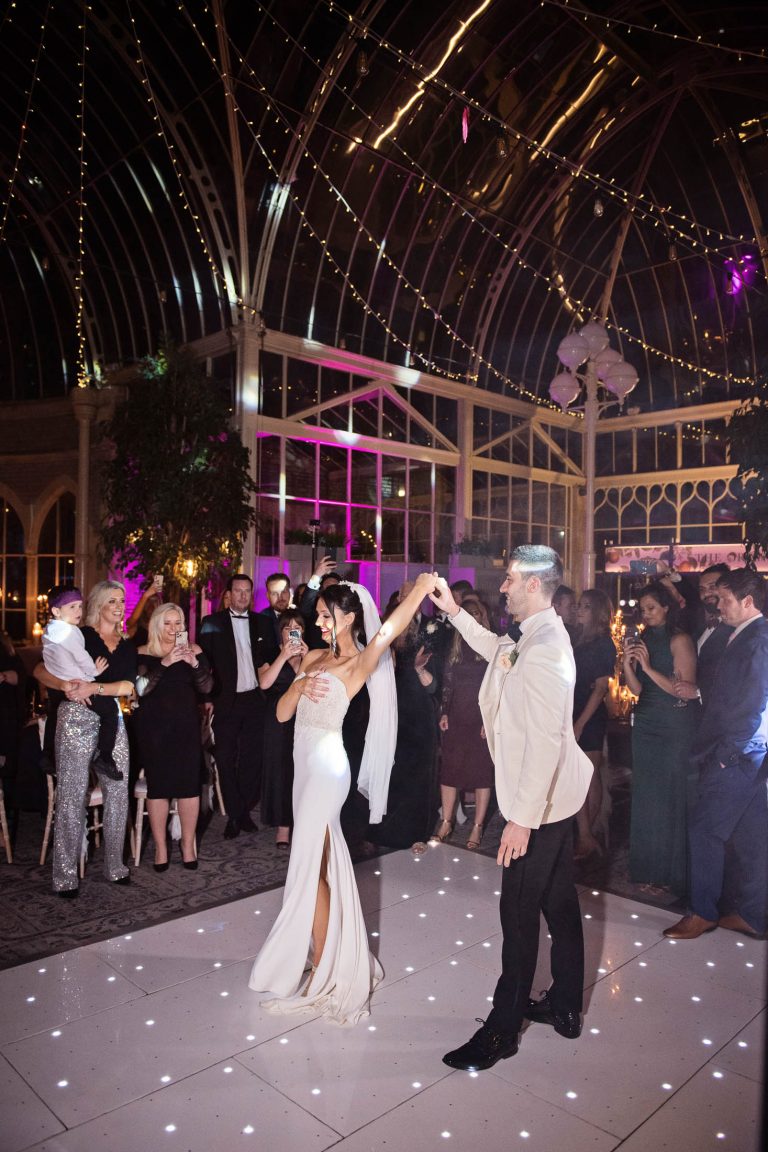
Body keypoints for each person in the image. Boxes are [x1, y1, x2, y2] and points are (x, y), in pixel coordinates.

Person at [248, 572, 438, 1026]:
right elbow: (280, 713)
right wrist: (296, 683)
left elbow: (390, 628)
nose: (319, 623)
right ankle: (332, 954)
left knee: (310, 866)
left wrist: (417, 591)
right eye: (317, 616)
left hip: (329, 771)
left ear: (349, 616)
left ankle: (324, 965)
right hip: (303, 769)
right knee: (319, 865)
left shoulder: (359, 663)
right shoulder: (313, 656)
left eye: (325, 615)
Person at [430, 546, 593, 1071]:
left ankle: (502, 1031)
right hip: (551, 797)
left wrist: (520, 818)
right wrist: (453, 612)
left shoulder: (548, 648)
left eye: (509, 579)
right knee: (559, 905)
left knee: (517, 913)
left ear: (534, 585)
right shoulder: (532, 635)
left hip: (538, 805)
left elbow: (547, 741)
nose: (501, 587)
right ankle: (566, 1007)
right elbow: (497, 650)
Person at [665, 568, 768, 940]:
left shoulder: (756, 639)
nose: (719, 605)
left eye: (725, 599)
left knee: (704, 830)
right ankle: (754, 916)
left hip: (737, 756)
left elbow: (752, 704)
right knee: (753, 837)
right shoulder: (747, 634)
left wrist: (727, 754)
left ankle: (702, 913)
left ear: (748, 602)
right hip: (751, 757)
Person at [34, 580, 136, 897]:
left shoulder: (128, 644)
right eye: (112, 602)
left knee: (119, 792)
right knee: (71, 797)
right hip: (74, 719)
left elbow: (128, 687)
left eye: (122, 601)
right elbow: (39, 669)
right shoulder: (80, 635)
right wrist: (65, 684)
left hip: (111, 720)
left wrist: (94, 687)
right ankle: (65, 877)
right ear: (98, 605)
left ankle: (115, 867)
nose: (119, 607)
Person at [622, 581, 697, 897]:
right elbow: (637, 690)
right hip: (647, 722)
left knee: (668, 797)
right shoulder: (644, 638)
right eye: (642, 609)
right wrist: (627, 664)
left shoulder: (679, 640)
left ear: (667, 607)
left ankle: (669, 873)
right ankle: (647, 869)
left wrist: (649, 667)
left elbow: (683, 690)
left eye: (652, 608)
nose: (646, 614)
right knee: (646, 797)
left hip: (673, 723)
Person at [134, 603, 213, 870]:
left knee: (190, 788)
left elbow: (208, 686)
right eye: (167, 623)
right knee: (159, 789)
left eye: (177, 623)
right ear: (157, 625)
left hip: (186, 727)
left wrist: (192, 662)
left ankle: (188, 845)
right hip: (154, 731)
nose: (173, 629)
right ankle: (161, 848)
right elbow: (141, 689)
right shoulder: (144, 653)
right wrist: (166, 663)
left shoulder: (195, 650)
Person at [368, 580, 439, 852]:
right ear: (399, 597)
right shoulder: (387, 627)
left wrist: (420, 669)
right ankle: (383, 830)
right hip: (390, 708)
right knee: (391, 768)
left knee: (419, 771)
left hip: (419, 711)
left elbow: (436, 682)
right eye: (409, 594)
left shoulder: (433, 627)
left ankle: (416, 831)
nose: (413, 599)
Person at [199, 573, 263, 839]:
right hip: (225, 700)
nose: (243, 596)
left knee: (252, 760)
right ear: (229, 594)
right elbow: (202, 665)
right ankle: (237, 814)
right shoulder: (211, 623)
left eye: (247, 591)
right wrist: (206, 698)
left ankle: (242, 810)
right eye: (238, 591)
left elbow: (269, 658)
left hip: (254, 699)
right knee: (225, 758)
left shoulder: (262, 623)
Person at [41, 585, 122, 781]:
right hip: (77, 686)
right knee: (111, 710)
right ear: (56, 610)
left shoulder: (49, 630)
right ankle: (104, 756)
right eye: (72, 607)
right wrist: (93, 672)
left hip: (60, 693)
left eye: (79, 606)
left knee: (53, 714)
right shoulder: (73, 632)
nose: (78, 611)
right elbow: (81, 657)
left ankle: (47, 755)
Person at [433, 597, 495, 850]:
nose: (472, 617)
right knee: (450, 770)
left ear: (483, 617)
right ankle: (446, 822)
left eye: (476, 613)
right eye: (468, 613)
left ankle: (477, 827)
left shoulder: (492, 645)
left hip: (480, 717)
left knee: (482, 773)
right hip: (457, 715)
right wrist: (444, 712)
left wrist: (489, 719)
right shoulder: (456, 645)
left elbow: (496, 687)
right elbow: (448, 682)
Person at [257, 609, 309, 848]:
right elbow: (265, 683)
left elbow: (308, 685)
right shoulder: (269, 652)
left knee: (303, 769)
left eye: (296, 627)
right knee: (280, 769)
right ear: (281, 632)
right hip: (276, 719)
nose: (292, 632)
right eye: (288, 628)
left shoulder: (310, 654)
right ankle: (283, 826)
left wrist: (305, 659)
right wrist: (283, 656)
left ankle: (303, 819)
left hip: (304, 718)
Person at [572, 589, 617, 860]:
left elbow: (601, 688)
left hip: (589, 715)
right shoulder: (579, 639)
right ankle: (584, 834)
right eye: (579, 605)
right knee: (578, 776)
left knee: (588, 777)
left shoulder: (603, 642)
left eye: (586, 606)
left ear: (598, 611)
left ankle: (588, 835)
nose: (579, 610)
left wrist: (580, 723)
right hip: (574, 709)